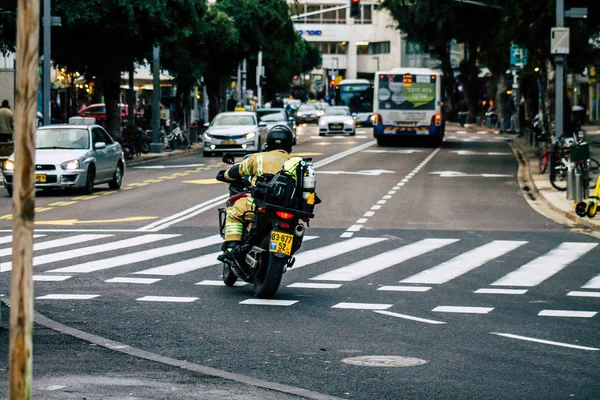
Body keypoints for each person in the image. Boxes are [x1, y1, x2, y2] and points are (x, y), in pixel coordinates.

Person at [217, 125, 295, 261]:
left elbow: (237, 170)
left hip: (259, 204)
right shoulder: (296, 162)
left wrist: (225, 175)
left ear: (268, 142)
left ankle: (231, 249)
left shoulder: (258, 158)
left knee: (234, 212)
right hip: (288, 206)